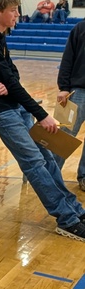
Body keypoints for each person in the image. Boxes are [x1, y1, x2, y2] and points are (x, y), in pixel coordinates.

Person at [0, 0, 85, 240]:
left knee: (47, 158)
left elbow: (13, 76)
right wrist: (41, 114)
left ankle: (74, 208)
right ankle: (66, 219)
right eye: (13, 10)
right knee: (33, 162)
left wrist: (5, 84)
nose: (18, 14)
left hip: (12, 104)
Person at [56, 16, 85, 191]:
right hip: (79, 91)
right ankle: (51, 174)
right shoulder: (80, 28)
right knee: (65, 134)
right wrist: (64, 87)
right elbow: (68, 58)